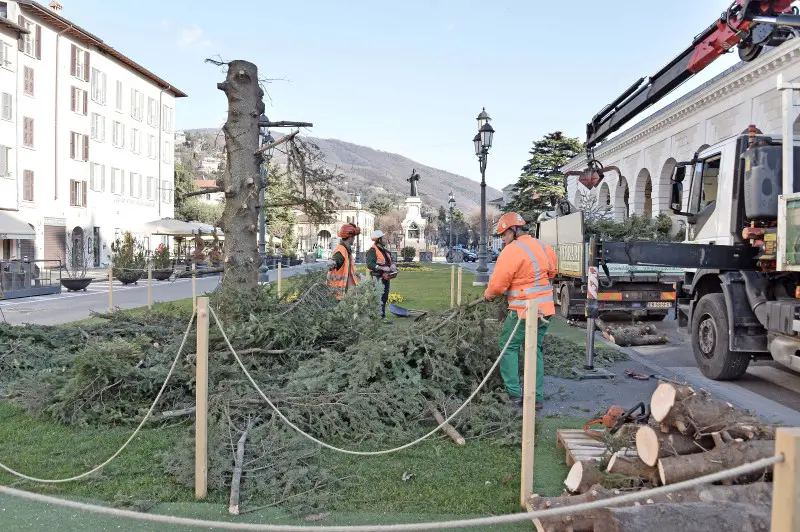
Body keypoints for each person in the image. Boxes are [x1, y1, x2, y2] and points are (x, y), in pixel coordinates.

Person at [483, 212, 557, 410]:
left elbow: (498, 285)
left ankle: (514, 394)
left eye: (504, 235)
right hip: (545, 309)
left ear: (513, 231)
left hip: (522, 310)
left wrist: (489, 294)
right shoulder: (543, 246)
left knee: (508, 347)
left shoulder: (511, 251)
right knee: (535, 349)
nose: (503, 239)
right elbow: (552, 272)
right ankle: (536, 397)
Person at [366, 230, 397, 321]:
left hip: (386, 277)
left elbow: (391, 261)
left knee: (384, 296)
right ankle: (378, 316)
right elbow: (370, 264)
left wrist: (393, 265)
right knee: (378, 297)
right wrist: (382, 268)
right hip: (377, 277)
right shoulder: (372, 251)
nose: (385, 240)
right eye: (383, 238)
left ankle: (381, 315)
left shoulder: (385, 251)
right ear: (378, 240)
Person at [326, 223, 360, 300]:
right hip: (340, 294)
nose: (354, 239)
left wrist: (359, 274)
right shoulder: (341, 251)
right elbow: (336, 259)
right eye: (353, 237)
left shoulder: (347, 251)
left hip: (348, 292)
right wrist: (331, 262)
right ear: (349, 237)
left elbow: (350, 270)